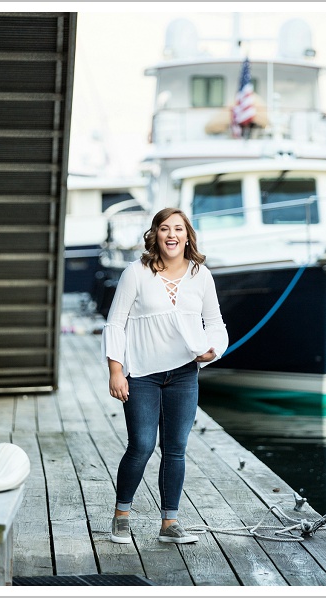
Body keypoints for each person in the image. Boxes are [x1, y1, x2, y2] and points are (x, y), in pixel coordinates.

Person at [102, 207, 228, 545]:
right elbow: (115, 323)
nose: (171, 235)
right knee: (141, 445)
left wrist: (213, 350)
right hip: (142, 373)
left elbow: (215, 324)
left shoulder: (201, 275)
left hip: (184, 374)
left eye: (178, 229)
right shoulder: (136, 273)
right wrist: (116, 371)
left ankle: (169, 523)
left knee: (175, 449)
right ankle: (121, 515)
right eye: (164, 229)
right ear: (155, 235)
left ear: (188, 236)